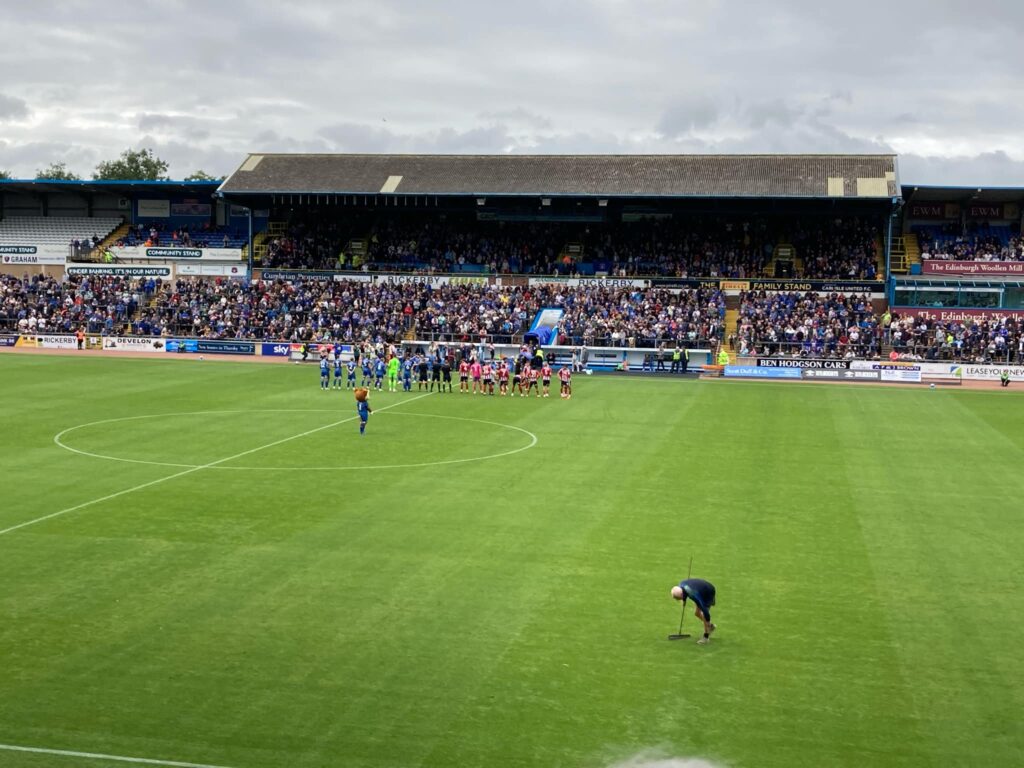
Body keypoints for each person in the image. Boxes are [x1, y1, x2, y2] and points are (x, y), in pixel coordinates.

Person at [671, 578, 717, 645]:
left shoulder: (693, 594)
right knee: (697, 613)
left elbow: (704, 609)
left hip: (708, 592)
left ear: (681, 594)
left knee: (704, 615)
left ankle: (706, 637)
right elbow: (684, 591)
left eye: (679, 598)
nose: (678, 600)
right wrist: (684, 600)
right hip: (699, 590)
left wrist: (707, 620)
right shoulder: (681, 585)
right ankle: (710, 626)